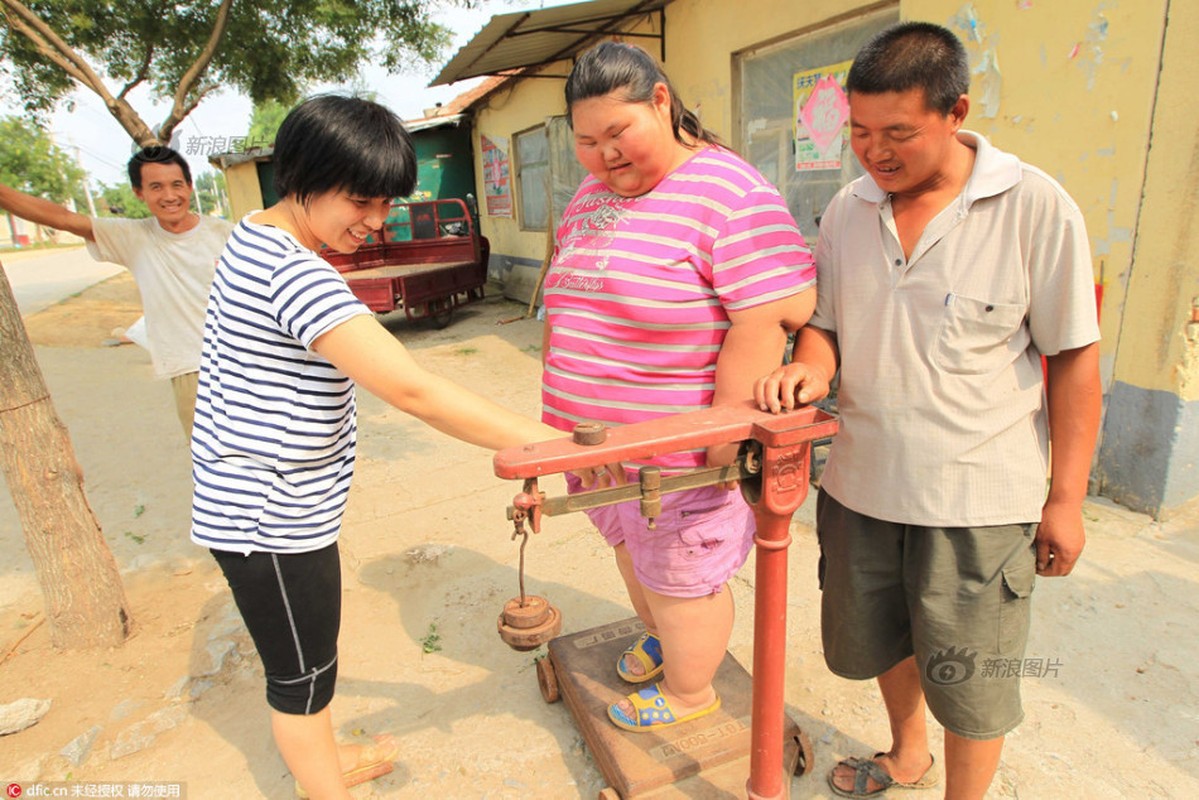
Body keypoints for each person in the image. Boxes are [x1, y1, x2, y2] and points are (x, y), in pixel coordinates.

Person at [752, 22, 1102, 800]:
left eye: (898, 134)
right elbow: (828, 325)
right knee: (882, 638)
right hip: (861, 486)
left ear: (955, 112)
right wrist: (808, 370)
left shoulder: (1033, 208)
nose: (875, 154)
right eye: (859, 133)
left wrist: (1066, 499)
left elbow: (1073, 358)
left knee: (971, 678)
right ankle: (907, 753)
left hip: (979, 501)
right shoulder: (847, 209)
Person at [189, 94, 568, 800]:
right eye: (358, 201)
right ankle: (321, 785)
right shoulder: (294, 271)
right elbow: (412, 389)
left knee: (315, 656)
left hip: (275, 501)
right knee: (300, 678)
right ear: (300, 176)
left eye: (385, 204)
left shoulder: (258, 234)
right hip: (266, 515)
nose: (373, 222)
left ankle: (322, 766)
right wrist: (550, 444)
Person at [543, 41, 817, 733]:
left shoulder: (728, 191)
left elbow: (764, 320)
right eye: (585, 141)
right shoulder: (590, 191)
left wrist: (721, 439)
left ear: (660, 102)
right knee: (637, 559)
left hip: (677, 455)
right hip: (598, 447)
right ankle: (668, 641)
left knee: (682, 580)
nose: (604, 154)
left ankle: (693, 692)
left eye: (617, 133)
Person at [0, 147, 233, 438]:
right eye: (156, 187)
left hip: (247, 361)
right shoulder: (134, 237)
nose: (170, 196)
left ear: (189, 185)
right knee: (217, 465)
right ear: (139, 193)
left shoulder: (226, 234)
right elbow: (62, 218)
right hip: (191, 368)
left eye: (176, 185)